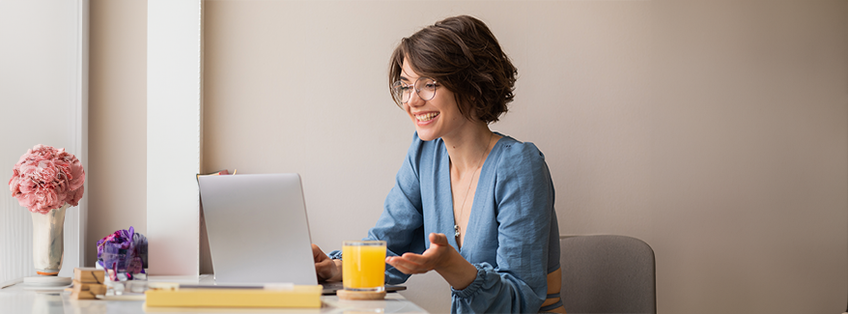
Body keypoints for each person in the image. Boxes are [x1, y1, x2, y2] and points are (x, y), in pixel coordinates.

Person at [312, 15, 563, 314]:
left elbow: (520, 300)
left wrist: (453, 266)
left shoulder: (520, 166)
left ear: (472, 86)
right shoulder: (424, 154)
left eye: (429, 84)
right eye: (405, 86)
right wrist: (336, 268)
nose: (412, 101)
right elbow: (388, 247)